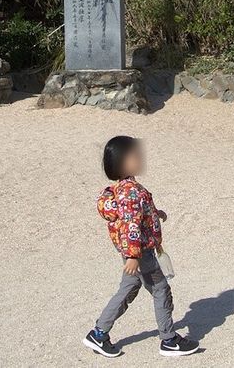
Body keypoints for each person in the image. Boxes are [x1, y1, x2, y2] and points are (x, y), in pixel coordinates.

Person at [83, 136, 200, 358]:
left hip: (134, 251)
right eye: (136, 156)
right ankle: (169, 339)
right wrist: (133, 256)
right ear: (121, 163)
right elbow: (131, 224)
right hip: (140, 252)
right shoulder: (131, 192)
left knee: (128, 289)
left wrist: (155, 214)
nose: (141, 159)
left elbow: (137, 214)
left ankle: (99, 333)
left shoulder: (123, 189)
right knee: (160, 289)